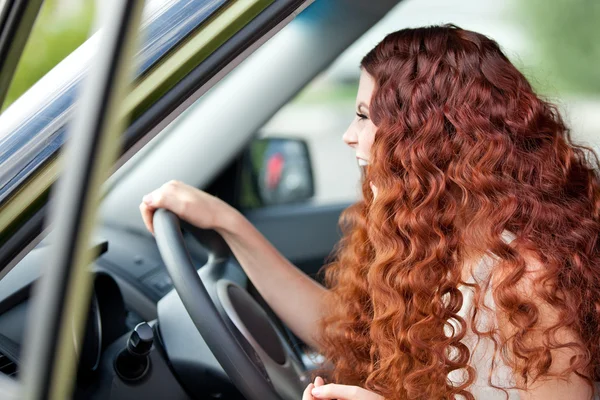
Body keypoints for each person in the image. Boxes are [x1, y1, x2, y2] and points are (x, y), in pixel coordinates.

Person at [140, 25, 600, 400]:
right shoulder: (432, 242)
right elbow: (347, 333)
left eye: (364, 116)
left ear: (427, 136)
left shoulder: (528, 279)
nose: (349, 135)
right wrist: (228, 223)